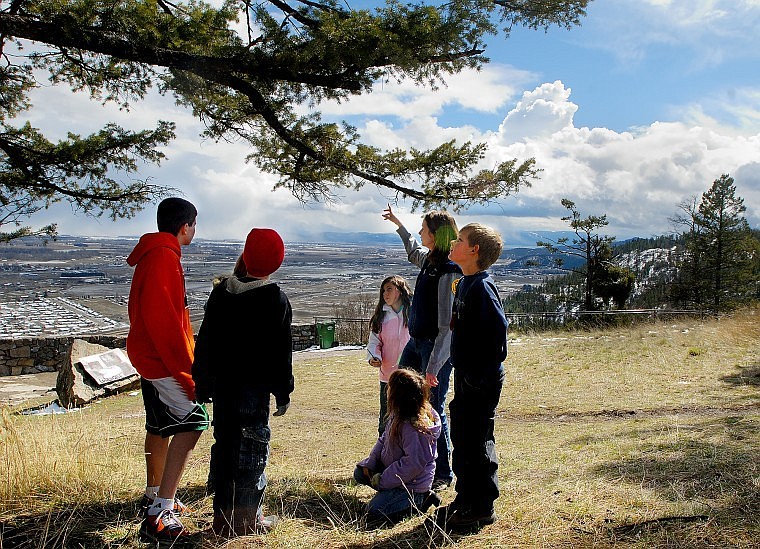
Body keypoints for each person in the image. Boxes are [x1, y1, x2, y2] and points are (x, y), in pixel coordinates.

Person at [192, 228, 294, 537]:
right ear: (277, 262)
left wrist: (203, 383)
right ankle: (247, 521)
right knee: (251, 452)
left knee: (225, 449)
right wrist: (283, 391)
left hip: (224, 390)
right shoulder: (275, 298)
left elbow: (205, 342)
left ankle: (222, 520)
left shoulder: (221, 292)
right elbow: (281, 354)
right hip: (254, 392)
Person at [126, 197, 210, 544]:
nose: (194, 230)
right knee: (195, 421)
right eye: (194, 224)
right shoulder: (163, 258)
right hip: (161, 361)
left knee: (159, 427)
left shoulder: (156, 254)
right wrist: (186, 371)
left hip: (148, 357)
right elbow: (167, 323)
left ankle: (153, 492)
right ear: (184, 226)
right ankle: (161, 511)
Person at [434, 223, 508, 533]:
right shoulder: (465, 283)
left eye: (460, 240)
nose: (453, 242)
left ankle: (481, 507)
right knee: (463, 440)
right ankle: (466, 498)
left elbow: (497, 338)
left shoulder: (481, 287)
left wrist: (478, 375)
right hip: (467, 376)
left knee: (477, 441)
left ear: (474, 250)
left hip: (480, 379)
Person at [382, 204, 460, 492]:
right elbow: (414, 252)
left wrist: (433, 367)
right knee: (401, 393)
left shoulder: (449, 270)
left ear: (436, 234)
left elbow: (446, 327)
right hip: (416, 343)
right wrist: (399, 225)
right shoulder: (430, 261)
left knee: (432, 409)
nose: (419, 232)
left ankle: (442, 472)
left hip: (433, 349)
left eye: (424, 229)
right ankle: (405, 460)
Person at [354, 369, 442, 527]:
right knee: (360, 473)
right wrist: (371, 463)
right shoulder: (398, 414)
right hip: (396, 474)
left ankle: (421, 500)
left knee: (373, 511)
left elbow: (412, 465)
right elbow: (383, 440)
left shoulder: (415, 428)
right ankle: (390, 495)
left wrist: (383, 480)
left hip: (411, 485)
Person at [367, 275, 412, 435]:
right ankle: (384, 454)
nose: (385, 294)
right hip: (387, 377)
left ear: (400, 291)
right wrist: (374, 357)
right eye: (383, 290)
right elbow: (374, 342)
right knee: (386, 420)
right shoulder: (381, 317)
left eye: (389, 289)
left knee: (409, 419)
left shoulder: (413, 314)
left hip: (411, 376)